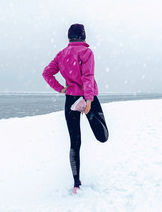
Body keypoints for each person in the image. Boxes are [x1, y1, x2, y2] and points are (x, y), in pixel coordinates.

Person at [42, 23, 109, 194]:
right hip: (87, 98)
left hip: (71, 99)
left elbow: (47, 73)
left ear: (69, 37)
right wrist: (88, 101)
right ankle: (92, 116)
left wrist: (61, 88)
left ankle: (76, 184)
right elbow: (87, 77)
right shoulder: (87, 52)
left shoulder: (62, 54)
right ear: (84, 36)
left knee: (75, 143)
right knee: (103, 136)